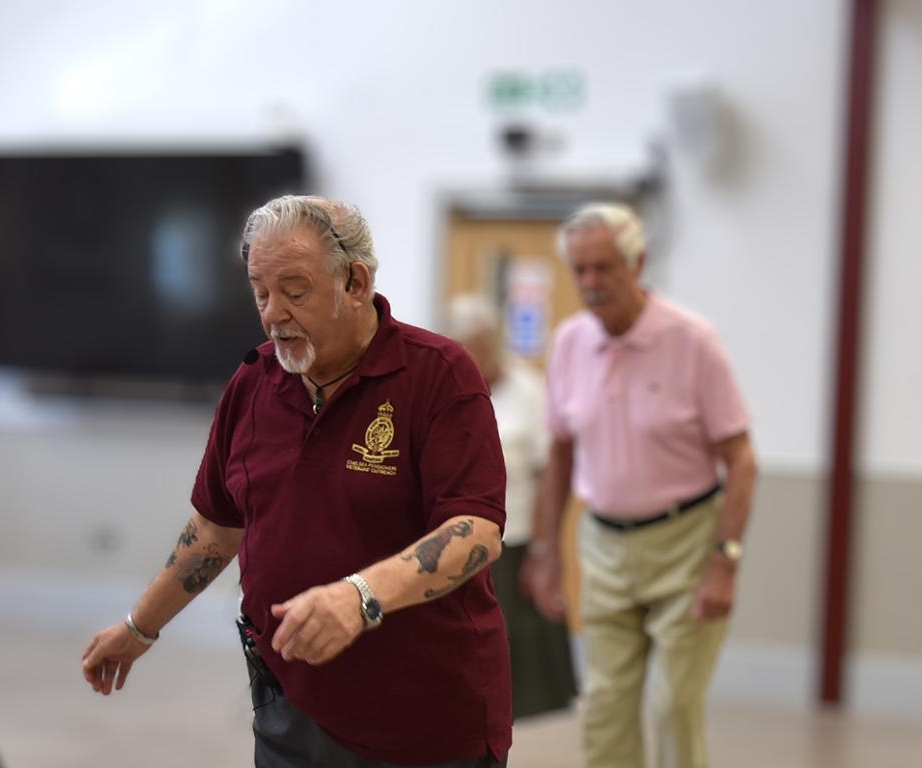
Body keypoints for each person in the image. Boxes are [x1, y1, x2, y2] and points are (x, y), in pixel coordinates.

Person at [80, 195, 512, 767]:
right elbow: (215, 529)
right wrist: (140, 626)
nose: (273, 312)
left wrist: (360, 597)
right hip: (290, 705)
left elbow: (475, 530)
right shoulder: (255, 382)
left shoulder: (438, 375)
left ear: (355, 283)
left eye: (295, 290)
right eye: (261, 291)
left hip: (424, 717)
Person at [525, 203, 758, 768]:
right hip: (603, 544)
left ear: (638, 263)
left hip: (687, 543)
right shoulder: (570, 343)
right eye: (580, 270)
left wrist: (726, 560)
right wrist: (547, 551)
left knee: (675, 705)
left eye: (604, 268)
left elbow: (742, 460)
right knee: (605, 705)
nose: (591, 283)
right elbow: (560, 452)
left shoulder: (693, 341)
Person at [444, 295, 579, 722]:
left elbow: (550, 475)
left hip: (513, 539)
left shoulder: (528, 391)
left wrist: (544, 549)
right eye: (463, 346)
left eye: (479, 346)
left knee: (509, 649)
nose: (472, 356)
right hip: (453, 538)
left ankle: (494, 727)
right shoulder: (446, 386)